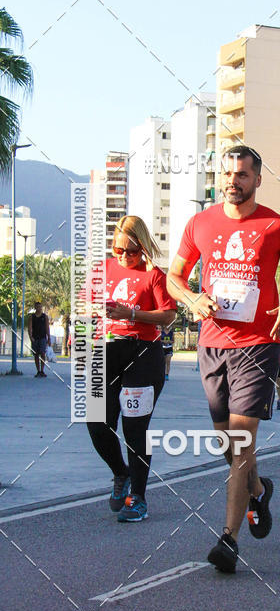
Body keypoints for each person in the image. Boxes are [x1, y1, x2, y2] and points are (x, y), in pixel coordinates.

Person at [167, 144, 280, 573]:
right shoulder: (200, 223)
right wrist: (192, 297)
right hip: (212, 342)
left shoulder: (277, 225)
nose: (233, 182)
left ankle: (228, 539)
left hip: (258, 344)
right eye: (228, 174)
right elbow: (174, 276)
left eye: (243, 175)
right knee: (227, 445)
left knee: (239, 441)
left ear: (257, 180)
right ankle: (258, 489)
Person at [87, 216, 177, 522]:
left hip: (143, 354)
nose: (124, 256)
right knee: (97, 424)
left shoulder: (154, 275)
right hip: (106, 351)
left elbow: (168, 316)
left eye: (132, 251)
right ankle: (120, 473)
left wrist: (133, 312)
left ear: (142, 246)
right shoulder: (103, 269)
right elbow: (87, 304)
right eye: (118, 249)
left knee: (135, 429)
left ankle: (138, 498)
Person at [28, 302, 51, 377]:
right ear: (35, 308)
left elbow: (47, 328)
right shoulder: (32, 317)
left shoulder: (45, 317)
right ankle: (38, 371)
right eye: (38, 307)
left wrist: (49, 338)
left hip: (43, 338)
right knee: (36, 354)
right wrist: (31, 337)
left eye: (40, 307)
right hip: (35, 338)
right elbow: (30, 328)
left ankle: (42, 370)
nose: (39, 308)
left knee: (43, 353)